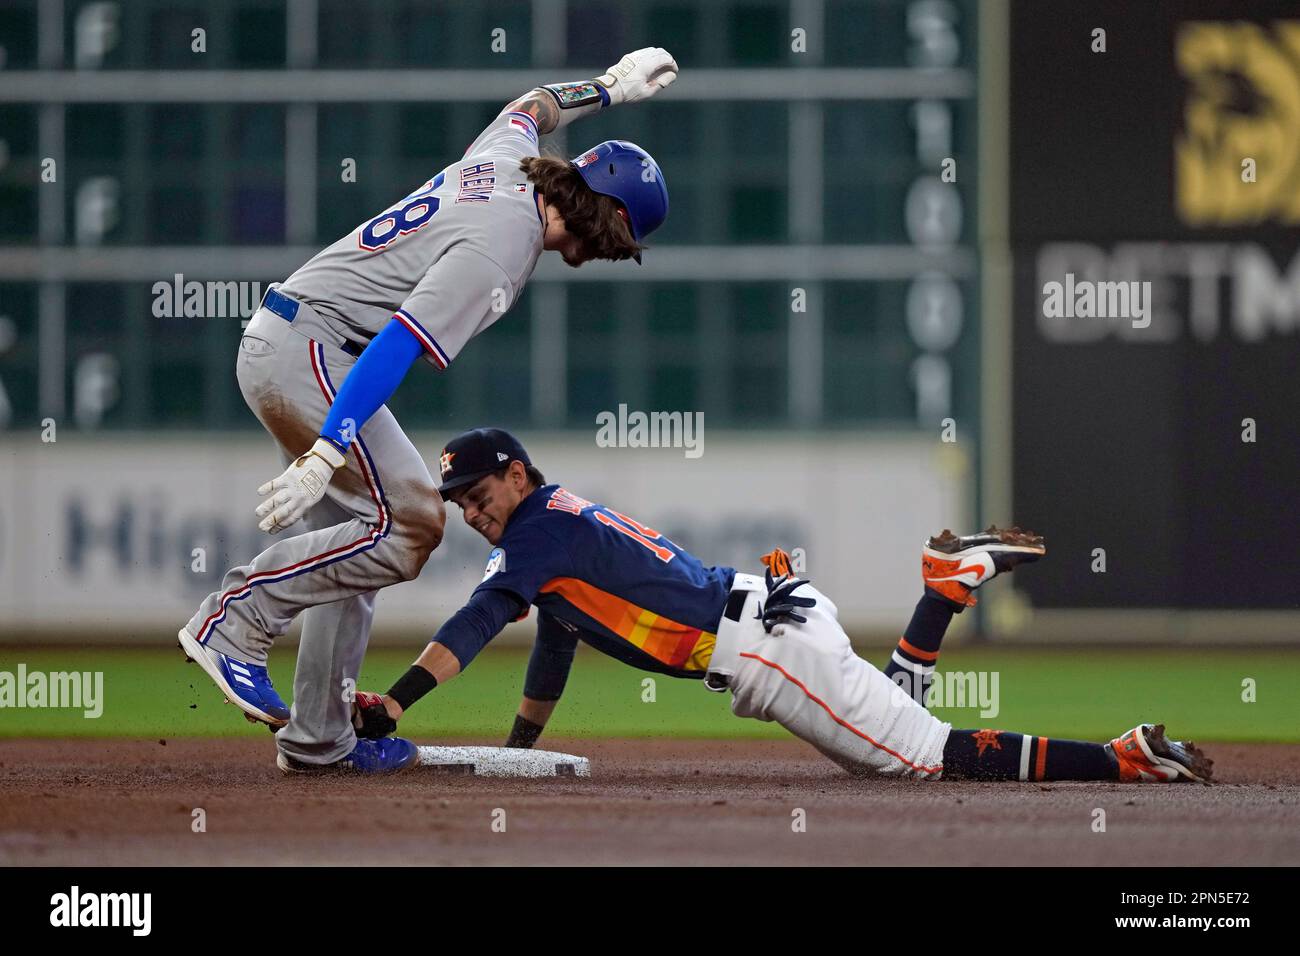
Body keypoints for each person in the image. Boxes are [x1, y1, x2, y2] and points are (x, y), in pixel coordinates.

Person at [178, 49, 679, 774]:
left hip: (296, 340)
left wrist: (604, 89)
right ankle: (232, 622)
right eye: (619, 235)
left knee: (355, 545)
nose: (611, 250)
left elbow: (534, 106)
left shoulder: (509, 160)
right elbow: (394, 347)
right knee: (411, 522)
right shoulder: (505, 250)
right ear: (605, 214)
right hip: (315, 352)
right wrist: (327, 448)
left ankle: (320, 738)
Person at [335, 428, 1214, 784]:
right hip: (776, 611)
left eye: (477, 489)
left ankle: (1123, 760)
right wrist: (519, 752)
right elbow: (554, 645)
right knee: (894, 722)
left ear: (517, 475)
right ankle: (944, 593)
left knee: (922, 759)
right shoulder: (554, 532)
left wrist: (396, 702)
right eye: (458, 500)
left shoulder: (532, 533)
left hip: (764, 648)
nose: (469, 507)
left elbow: (474, 623)